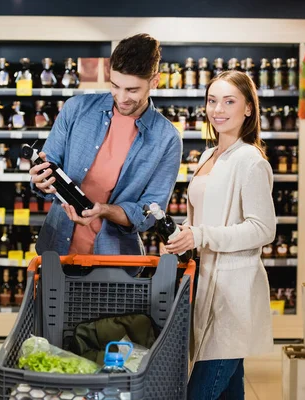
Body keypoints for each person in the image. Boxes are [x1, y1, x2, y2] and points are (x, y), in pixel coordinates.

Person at [164, 70, 276, 399]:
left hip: (233, 292)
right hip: (205, 283)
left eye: (229, 101)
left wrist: (200, 235)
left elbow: (263, 229)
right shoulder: (207, 156)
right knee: (229, 390)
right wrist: (182, 234)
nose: (218, 109)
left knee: (200, 390)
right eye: (212, 101)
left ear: (248, 109)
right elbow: (203, 216)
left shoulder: (250, 161)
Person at [29, 33, 182, 256]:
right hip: (55, 250)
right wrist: (41, 180)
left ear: (154, 82)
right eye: (115, 85)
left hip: (116, 261)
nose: (121, 97)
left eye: (132, 90)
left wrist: (105, 210)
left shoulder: (167, 139)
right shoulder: (76, 109)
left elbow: (149, 212)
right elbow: (49, 164)